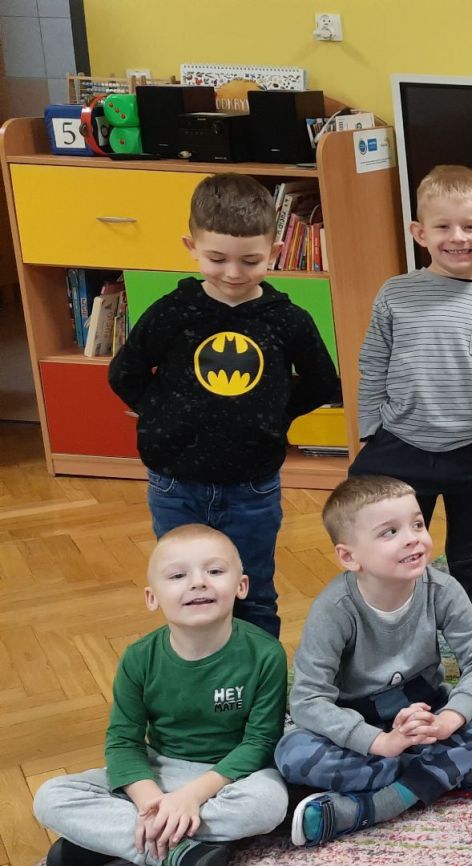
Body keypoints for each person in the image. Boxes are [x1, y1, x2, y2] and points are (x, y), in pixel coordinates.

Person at [107, 173, 340, 637]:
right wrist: (163, 413)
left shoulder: (287, 320)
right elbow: (125, 373)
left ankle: (259, 680)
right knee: (186, 596)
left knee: (253, 594)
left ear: (274, 251)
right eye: (217, 259)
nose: (233, 273)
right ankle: (199, 674)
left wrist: (276, 413)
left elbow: (322, 382)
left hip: (252, 488)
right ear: (191, 247)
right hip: (175, 484)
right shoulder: (173, 312)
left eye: (250, 260)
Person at [276, 475, 472, 847]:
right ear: (349, 557)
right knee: (291, 753)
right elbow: (308, 700)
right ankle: (460, 770)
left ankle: (379, 804)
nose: (412, 538)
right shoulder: (334, 609)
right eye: (389, 532)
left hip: (428, 718)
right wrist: (380, 742)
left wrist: (448, 720)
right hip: (363, 729)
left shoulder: (442, 588)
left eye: (417, 524)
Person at [33, 525, 288, 866]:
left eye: (214, 571)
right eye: (178, 575)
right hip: (160, 768)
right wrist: (150, 800)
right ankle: (179, 852)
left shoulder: (266, 653)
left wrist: (190, 797)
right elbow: (123, 742)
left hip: (230, 776)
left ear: (241, 586)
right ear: (152, 597)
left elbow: (260, 742)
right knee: (50, 797)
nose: (198, 582)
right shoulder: (139, 657)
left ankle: (128, 841)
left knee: (268, 804)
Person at [349, 165, 472, 624]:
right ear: (420, 233)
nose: (457, 238)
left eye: (470, 227)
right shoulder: (396, 293)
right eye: (443, 227)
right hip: (403, 444)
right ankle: (390, 634)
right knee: (389, 555)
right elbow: (373, 365)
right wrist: (370, 430)